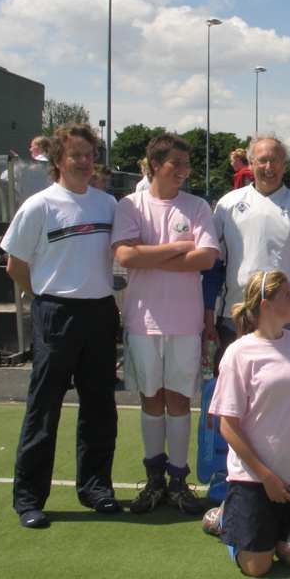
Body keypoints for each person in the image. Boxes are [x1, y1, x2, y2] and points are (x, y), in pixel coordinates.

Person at [1, 123, 121, 529]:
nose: (85, 162)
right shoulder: (39, 205)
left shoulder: (108, 204)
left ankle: (95, 488)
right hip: (55, 314)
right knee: (44, 408)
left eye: (89, 154)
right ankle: (29, 498)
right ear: (57, 161)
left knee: (100, 407)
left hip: (101, 313)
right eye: (75, 155)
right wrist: (47, 298)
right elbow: (15, 265)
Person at [111, 134, 220, 516]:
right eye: (177, 163)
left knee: (178, 401)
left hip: (185, 322)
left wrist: (148, 256)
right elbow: (125, 254)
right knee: (151, 400)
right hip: (143, 322)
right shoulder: (130, 205)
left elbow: (206, 258)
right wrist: (178, 248)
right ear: (155, 164)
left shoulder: (198, 206)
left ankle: (178, 481)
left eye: (187, 164)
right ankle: (154, 479)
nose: (184, 171)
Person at [210, 270, 290, 577]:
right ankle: (227, 518)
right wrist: (265, 477)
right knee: (257, 568)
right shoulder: (238, 353)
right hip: (254, 480)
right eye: (287, 295)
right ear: (264, 305)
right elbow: (227, 425)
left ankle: (264, 531)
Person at [203, 135, 290, 343]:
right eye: (262, 160)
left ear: (284, 165)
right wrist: (208, 315)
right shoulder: (226, 205)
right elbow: (214, 268)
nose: (269, 166)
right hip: (235, 315)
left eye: (275, 160)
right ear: (250, 163)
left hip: (285, 319)